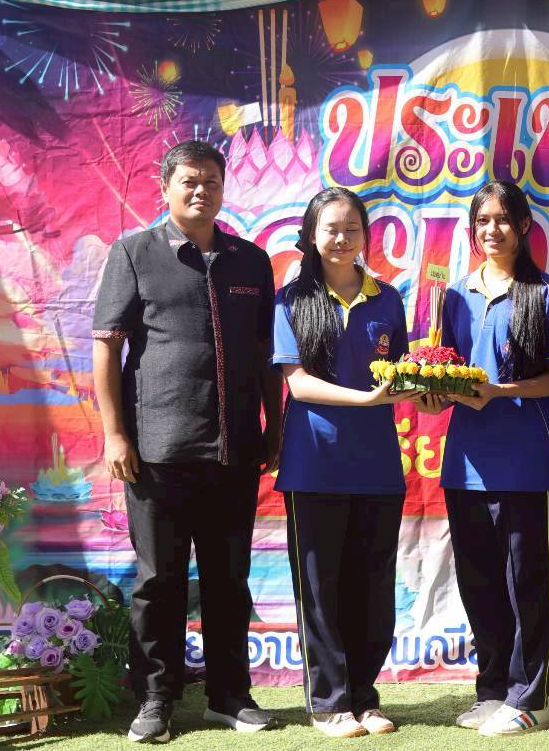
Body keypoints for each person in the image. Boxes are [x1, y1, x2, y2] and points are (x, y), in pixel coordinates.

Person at [92, 139, 282, 743]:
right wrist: (115, 435)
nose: (201, 191)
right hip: (156, 453)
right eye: (189, 182)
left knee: (229, 579)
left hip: (234, 451)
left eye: (211, 182)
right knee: (159, 583)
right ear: (166, 188)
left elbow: (266, 354)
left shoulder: (251, 262)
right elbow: (107, 347)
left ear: (224, 189)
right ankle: (156, 699)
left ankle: (230, 696)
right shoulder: (134, 252)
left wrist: (273, 428)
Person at [419, 181, 549, 736]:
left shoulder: (546, 293)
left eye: (503, 219)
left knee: (527, 582)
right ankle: (492, 690)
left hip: (526, 465)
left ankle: (531, 696)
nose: (492, 230)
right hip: (465, 465)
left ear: (524, 226)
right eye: (482, 220)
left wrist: (501, 391)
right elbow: (448, 372)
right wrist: (432, 392)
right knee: (479, 583)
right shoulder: (453, 295)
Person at [272, 187, 417, 739]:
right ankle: (329, 703)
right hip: (314, 466)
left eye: (351, 228)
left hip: (378, 466)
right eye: (331, 228)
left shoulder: (388, 299)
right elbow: (298, 384)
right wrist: (366, 399)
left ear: (365, 235)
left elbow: (400, 374)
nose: (341, 238)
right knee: (321, 588)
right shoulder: (291, 301)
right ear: (312, 235)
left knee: (373, 587)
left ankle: (364, 696)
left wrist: (425, 389)